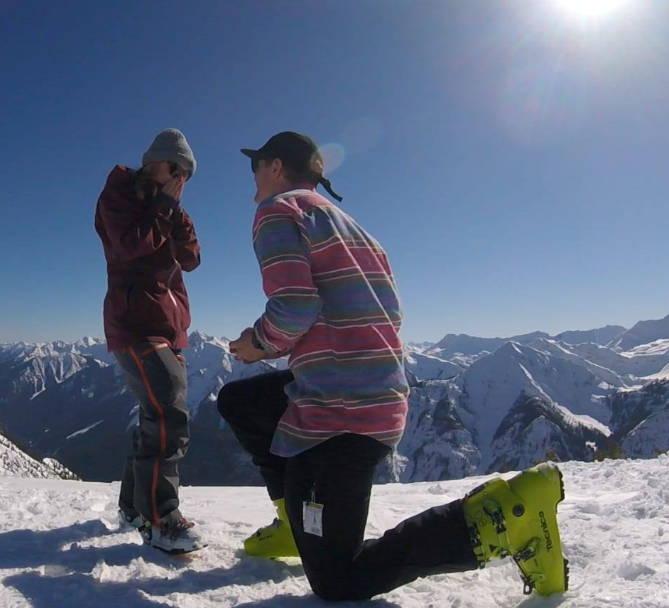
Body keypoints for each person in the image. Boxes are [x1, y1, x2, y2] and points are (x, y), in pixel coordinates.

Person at [217, 131, 568, 599]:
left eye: (255, 166)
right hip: (376, 392)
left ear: (276, 167)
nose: (254, 178)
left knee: (338, 582)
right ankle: (297, 525)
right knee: (242, 400)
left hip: (338, 416)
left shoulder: (277, 211)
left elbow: (296, 304)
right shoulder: (355, 229)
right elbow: (391, 313)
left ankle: (507, 517)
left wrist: (257, 343)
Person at [95, 128, 204, 554]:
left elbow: (192, 259)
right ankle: (162, 519)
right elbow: (128, 245)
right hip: (134, 323)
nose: (179, 177)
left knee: (154, 415)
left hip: (169, 325)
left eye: (186, 173)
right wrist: (163, 207)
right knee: (169, 410)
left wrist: (176, 214)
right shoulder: (119, 194)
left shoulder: (168, 208)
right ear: (152, 162)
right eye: (174, 167)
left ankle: (133, 508)